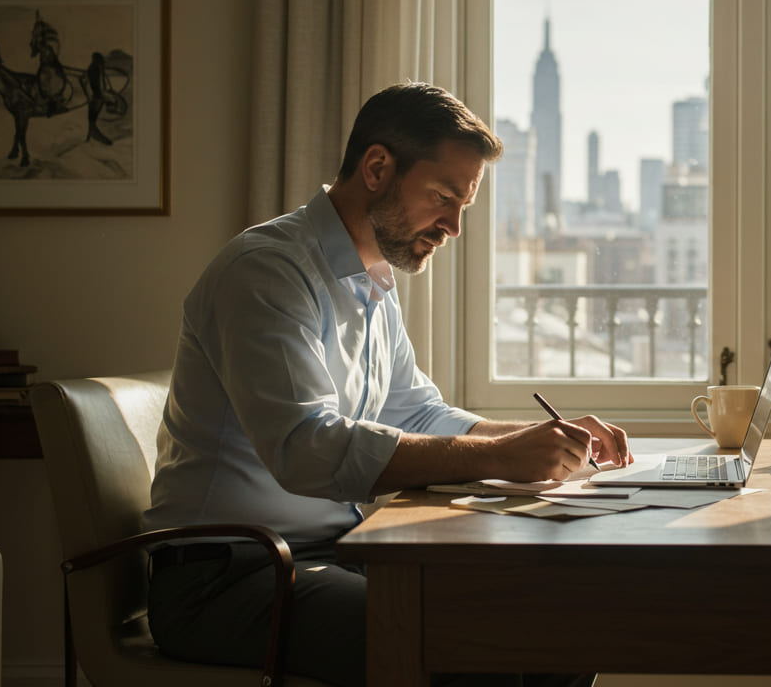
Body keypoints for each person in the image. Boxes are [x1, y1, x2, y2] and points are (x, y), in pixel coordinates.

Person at [143, 81, 631, 687]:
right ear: (378, 167)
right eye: (443, 197)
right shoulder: (266, 271)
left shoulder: (370, 280)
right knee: (476, 643)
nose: (453, 226)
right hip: (228, 580)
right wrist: (504, 455)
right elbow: (304, 447)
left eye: (463, 206)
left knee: (552, 621)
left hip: (336, 556)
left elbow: (419, 415)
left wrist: (540, 437)